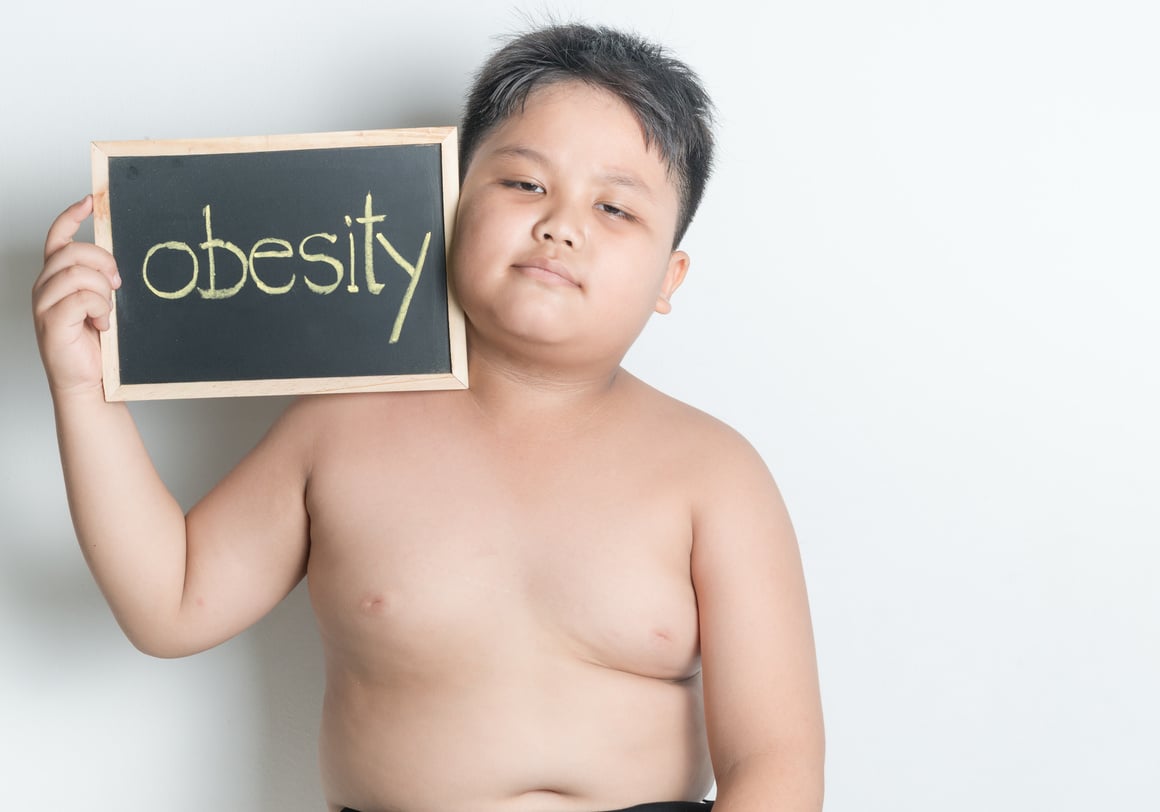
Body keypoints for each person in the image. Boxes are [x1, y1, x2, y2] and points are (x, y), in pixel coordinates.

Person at [31, 21, 824, 812]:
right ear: (447, 201)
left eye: (616, 208)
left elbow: (776, 760)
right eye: (524, 184)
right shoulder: (340, 430)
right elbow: (170, 602)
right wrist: (80, 388)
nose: (561, 224)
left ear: (669, 276)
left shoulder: (714, 473)